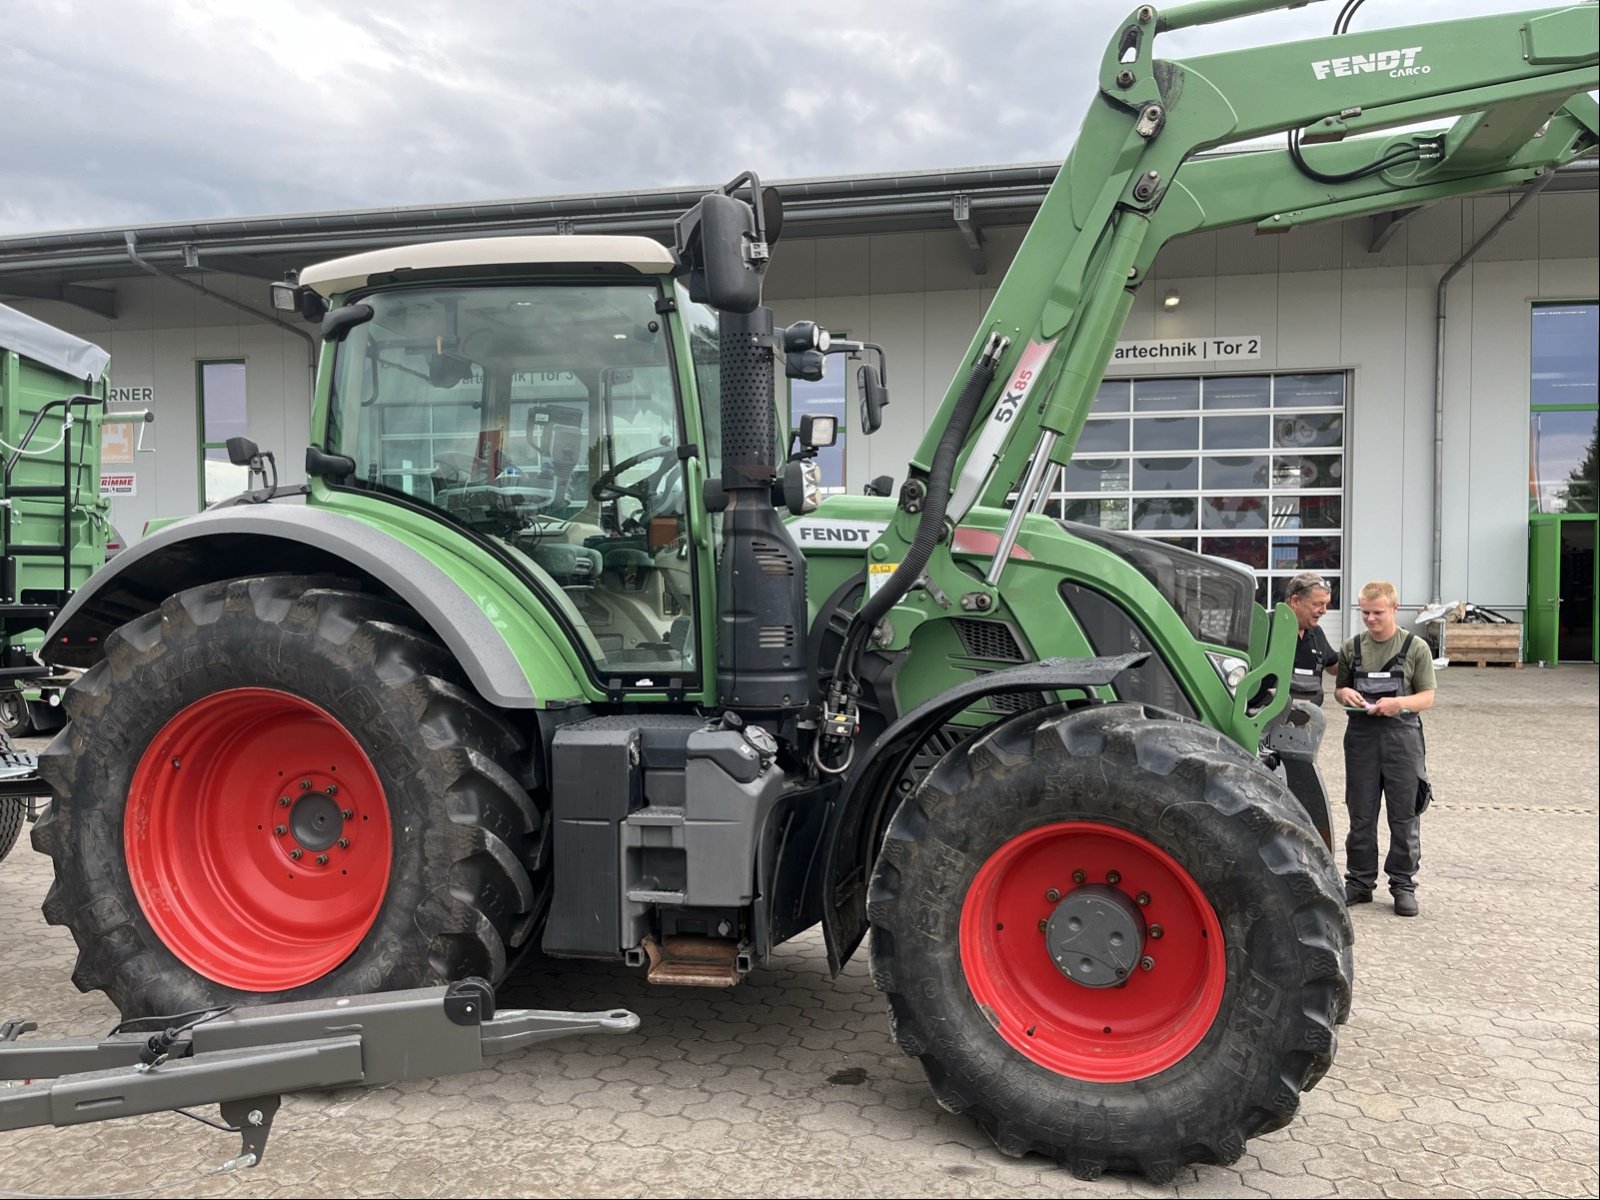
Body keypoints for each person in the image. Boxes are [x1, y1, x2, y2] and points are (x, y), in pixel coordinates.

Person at [1334, 580, 1437, 917]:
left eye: (1377, 612)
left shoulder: (1416, 647)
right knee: (1361, 814)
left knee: (1404, 814)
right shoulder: (1352, 647)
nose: (1370, 619)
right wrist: (1344, 696)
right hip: (1361, 738)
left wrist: (1398, 703)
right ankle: (1360, 883)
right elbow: (1340, 689)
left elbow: (1428, 697)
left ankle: (1403, 885)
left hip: (1402, 739)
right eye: (1365, 612)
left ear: (1394, 608)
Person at [1286, 572, 1337, 706]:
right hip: (1266, 724)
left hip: (1307, 724)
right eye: (1318, 604)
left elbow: (1334, 667)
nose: (1324, 611)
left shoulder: (1316, 633)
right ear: (1295, 601)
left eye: (1326, 605)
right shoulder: (1267, 628)